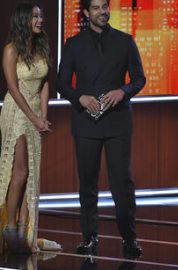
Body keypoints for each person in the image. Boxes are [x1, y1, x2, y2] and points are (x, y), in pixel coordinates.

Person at [57, 0, 145, 259]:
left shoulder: (125, 41)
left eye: (105, 6)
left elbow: (139, 79)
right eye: (96, 8)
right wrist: (80, 98)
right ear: (86, 12)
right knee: (88, 184)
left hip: (117, 121)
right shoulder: (73, 44)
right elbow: (62, 83)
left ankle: (129, 238)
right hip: (86, 122)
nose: (102, 12)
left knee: (122, 184)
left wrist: (124, 91)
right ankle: (90, 237)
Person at [0, 2, 61, 253]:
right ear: (23, 20)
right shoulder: (11, 49)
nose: (40, 20)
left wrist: (43, 116)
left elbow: (46, 83)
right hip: (16, 111)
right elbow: (13, 89)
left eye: (40, 15)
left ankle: (25, 231)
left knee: (33, 175)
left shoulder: (42, 47)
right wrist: (33, 118)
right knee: (21, 171)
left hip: (36, 111)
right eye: (35, 16)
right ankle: (10, 227)